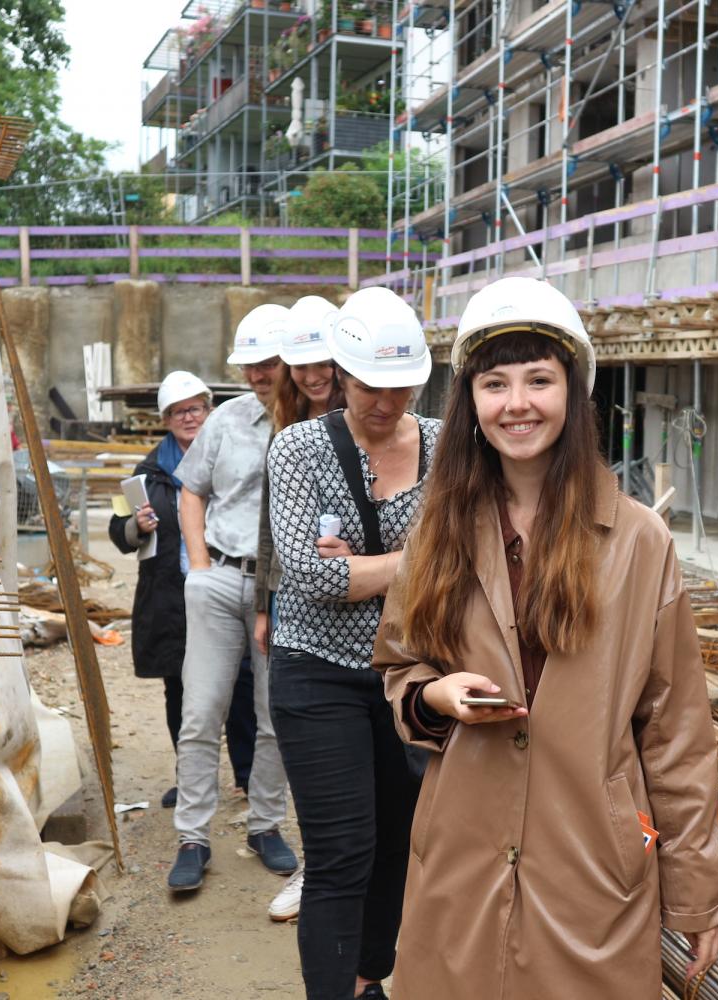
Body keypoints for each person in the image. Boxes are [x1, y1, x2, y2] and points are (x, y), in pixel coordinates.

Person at [370, 275, 718, 998]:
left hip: (591, 864)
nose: (517, 404)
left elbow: (675, 729)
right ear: (470, 401)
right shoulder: (439, 531)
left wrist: (694, 891)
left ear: (573, 391)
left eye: (539, 379)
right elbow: (397, 666)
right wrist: (434, 693)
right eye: (495, 384)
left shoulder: (637, 541)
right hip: (462, 848)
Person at [265, 286, 438, 1000]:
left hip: (409, 670)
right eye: (371, 387)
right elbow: (307, 574)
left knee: (398, 843)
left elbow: (480, 552)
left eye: (401, 390)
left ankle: (368, 979)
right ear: (341, 372)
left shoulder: (448, 443)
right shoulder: (300, 447)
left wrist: (361, 570)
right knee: (342, 853)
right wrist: (422, 559)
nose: (385, 405)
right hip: (318, 671)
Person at [167, 304, 299, 892]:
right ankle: (192, 837)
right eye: (248, 366)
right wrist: (198, 566)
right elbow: (190, 492)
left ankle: (266, 825)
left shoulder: (315, 424)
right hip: (220, 575)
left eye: (266, 364)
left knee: (275, 714)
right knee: (202, 710)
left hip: (285, 588)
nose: (254, 376)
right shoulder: (225, 421)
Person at [108, 372, 258, 808]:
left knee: (243, 686)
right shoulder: (143, 475)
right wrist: (136, 525)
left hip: (231, 590)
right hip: (173, 600)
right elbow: (118, 530)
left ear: (209, 410)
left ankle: (246, 776)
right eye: (178, 411)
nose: (189, 417)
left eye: (195, 408)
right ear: (165, 419)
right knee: (180, 689)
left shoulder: (237, 457)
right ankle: (191, 777)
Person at [254, 294, 345, 923]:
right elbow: (270, 527)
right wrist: (267, 603)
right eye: (301, 364)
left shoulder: (379, 415)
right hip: (301, 604)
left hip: (375, 606)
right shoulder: (286, 429)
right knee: (315, 755)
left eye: (324, 363)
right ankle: (316, 870)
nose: (313, 375)